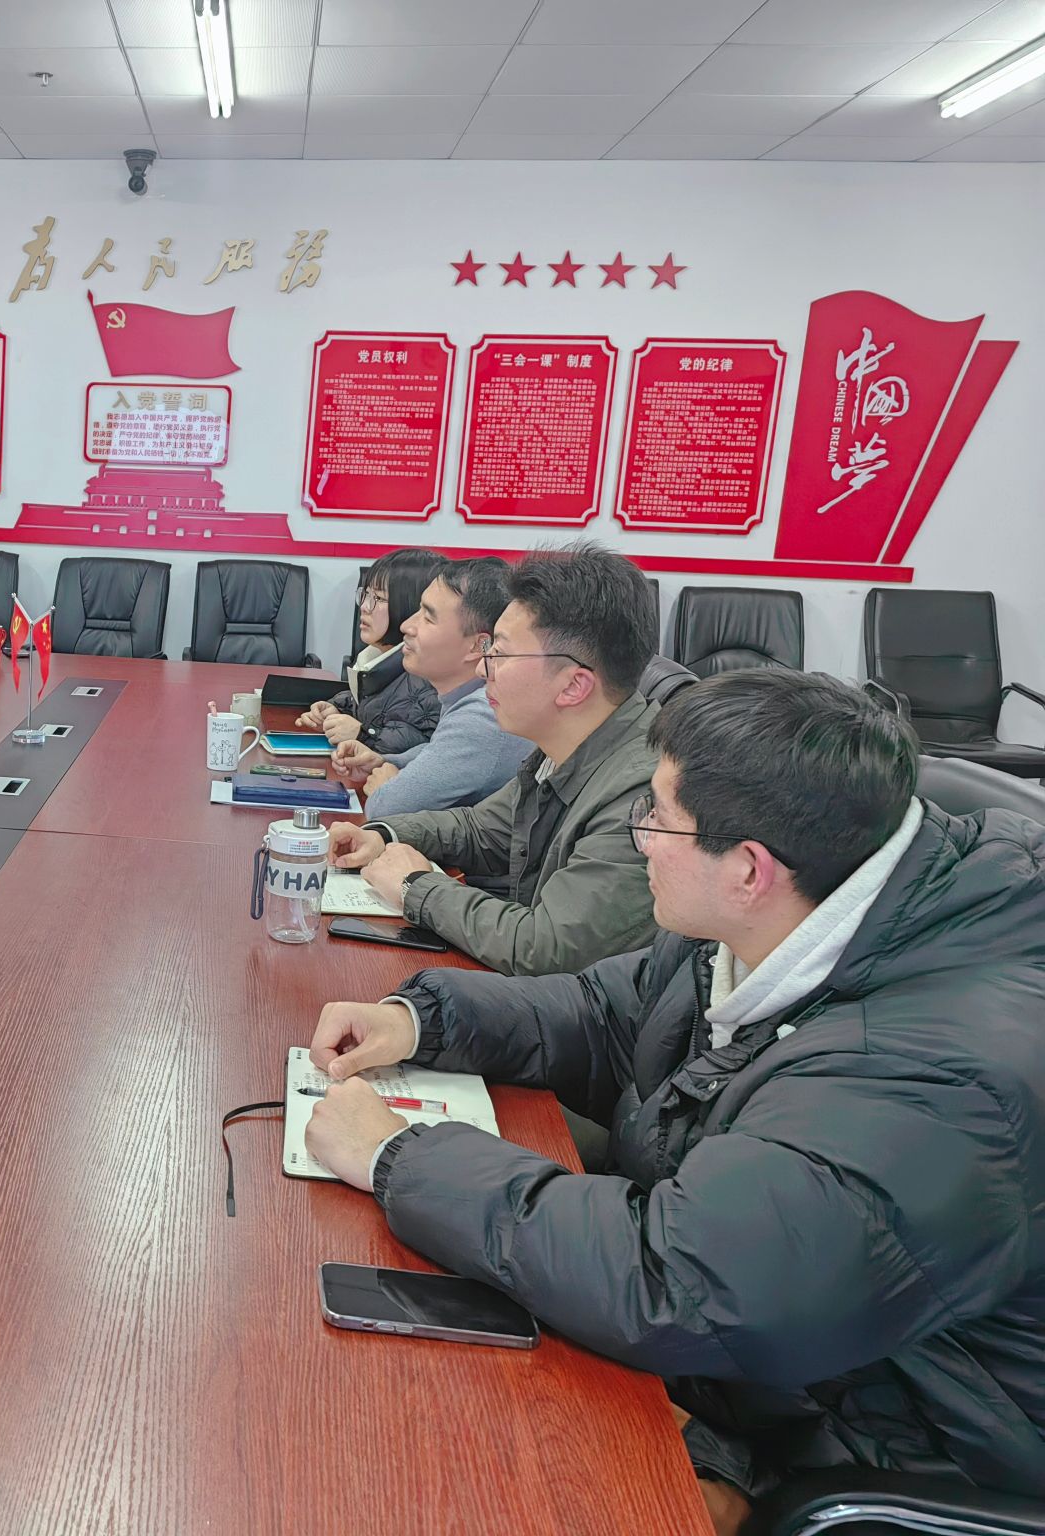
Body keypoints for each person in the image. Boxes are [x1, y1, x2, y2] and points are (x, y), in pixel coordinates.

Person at [303, 670, 1045, 1531]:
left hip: (873, 1455)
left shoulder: (934, 1076)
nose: (639, 840)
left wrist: (395, 1155)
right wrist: (421, 1020)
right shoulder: (797, 907)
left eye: (655, 818)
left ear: (749, 870)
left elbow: (681, 1283)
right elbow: (609, 1013)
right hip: (766, 1367)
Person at [328, 543, 663, 976]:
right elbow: (482, 828)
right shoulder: (563, 746)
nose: (483, 670)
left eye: (500, 654)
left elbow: (545, 947)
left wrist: (415, 887)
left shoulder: (644, 796)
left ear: (573, 686)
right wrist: (383, 834)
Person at [324, 556, 529, 821]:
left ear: (478, 646)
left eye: (428, 618)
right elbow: (438, 749)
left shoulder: (482, 714)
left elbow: (385, 809)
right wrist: (384, 762)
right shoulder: (471, 696)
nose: (406, 626)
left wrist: (387, 784)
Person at [297, 548, 443, 755]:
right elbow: (378, 707)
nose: (365, 607)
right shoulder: (377, 658)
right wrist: (338, 709)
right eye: (366, 595)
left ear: (414, 606)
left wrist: (362, 734)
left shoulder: (428, 677)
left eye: (379, 598)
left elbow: (423, 750)